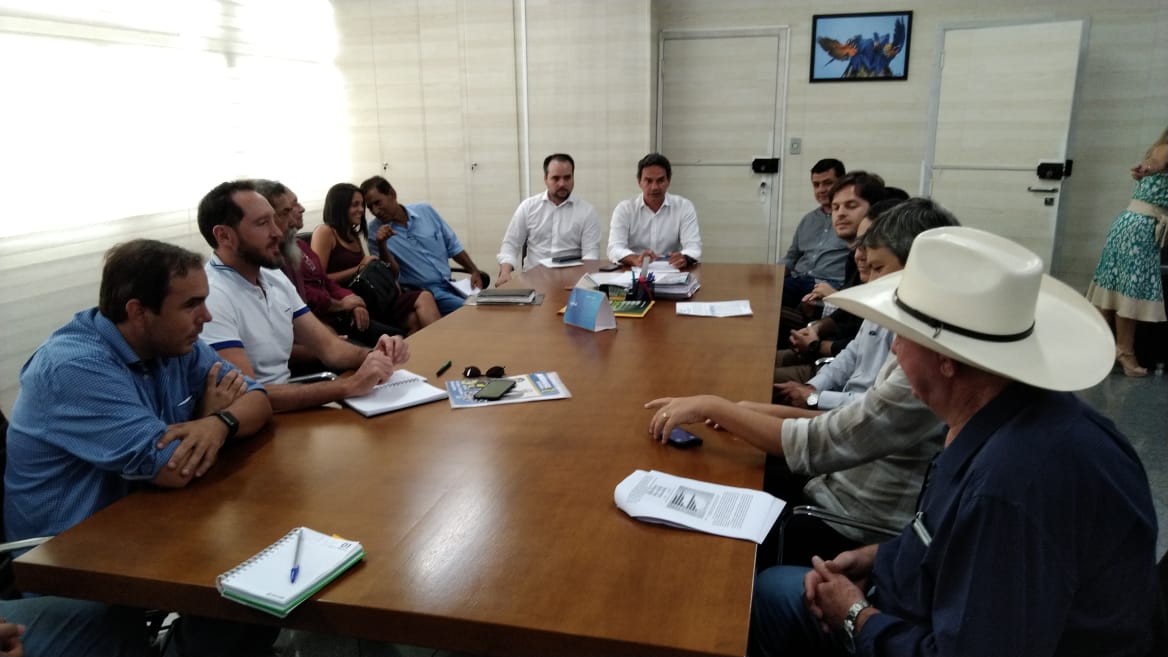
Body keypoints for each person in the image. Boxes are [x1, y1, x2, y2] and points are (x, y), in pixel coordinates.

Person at [750, 226, 1156, 657]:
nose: (894, 351)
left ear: (944, 361)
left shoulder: (1010, 485)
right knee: (774, 588)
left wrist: (853, 616)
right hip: (926, 605)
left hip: (925, 631)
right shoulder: (1013, 416)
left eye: (900, 337)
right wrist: (878, 559)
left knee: (768, 595)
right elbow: (946, 537)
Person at [647, 199, 957, 566]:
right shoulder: (913, 338)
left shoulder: (923, 361)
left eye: (877, 268)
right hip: (834, 483)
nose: (868, 279)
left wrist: (715, 406)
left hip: (848, 521)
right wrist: (748, 410)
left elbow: (824, 441)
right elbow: (854, 418)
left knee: (707, 545)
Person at [2, 239, 275, 656]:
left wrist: (216, 423)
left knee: (259, 588)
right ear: (137, 311)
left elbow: (258, 399)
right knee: (244, 596)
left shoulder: (171, 343)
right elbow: (174, 466)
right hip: (72, 561)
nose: (207, 316)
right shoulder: (73, 366)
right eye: (192, 304)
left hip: (147, 528)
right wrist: (196, 427)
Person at [196, 180, 410, 412]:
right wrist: (347, 386)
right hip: (257, 420)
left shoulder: (273, 277)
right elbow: (247, 395)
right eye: (262, 223)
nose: (277, 232)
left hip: (288, 409)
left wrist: (375, 355)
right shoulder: (211, 296)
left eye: (273, 219)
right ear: (224, 236)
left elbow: (330, 348)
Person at [273, 181, 438, 336]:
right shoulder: (325, 232)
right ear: (340, 207)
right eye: (355, 205)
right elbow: (321, 280)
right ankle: (442, 349)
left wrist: (380, 249)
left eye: (362, 205)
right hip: (352, 300)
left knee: (417, 316)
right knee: (423, 298)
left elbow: (376, 272)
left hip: (369, 296)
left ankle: (429, 358)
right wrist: (358, 268)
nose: (361, 210)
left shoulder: (353, 234)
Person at [776, 197, 902, 385]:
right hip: (831, 371)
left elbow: (871, 405)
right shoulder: (856, 262)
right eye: (835, 207)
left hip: (835, 378)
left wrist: (815, 347)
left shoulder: (897, 309)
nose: (840, 213)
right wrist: (815, 329)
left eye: (851, 206)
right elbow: (853, 350)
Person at [1085, 127, 1168, 377]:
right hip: (1140, 228)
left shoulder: (1160, 149)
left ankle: (1094, 346)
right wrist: (1146, 169)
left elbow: (1148, 169)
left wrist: (1142, 171)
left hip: (1133, 224)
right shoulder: (1165, 150)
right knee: (1127, 290)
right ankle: (1124, 351)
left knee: (1111, 287)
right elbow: (1153, 165)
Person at [359, 175, 487, 315]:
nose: (375, 211)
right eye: (370, 207)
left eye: (378, 203)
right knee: (476, 312)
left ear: (392, 194)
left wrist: (474, 270)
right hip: (425, 293)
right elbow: (389, 274)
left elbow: (453, 246)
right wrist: (382, 244)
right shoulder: (375, 232)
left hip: (452, 285)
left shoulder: (425, 211)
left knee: (493, 304)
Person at [495, 153, 601, 286]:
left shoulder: (587, 211)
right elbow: (511, 244)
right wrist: (505, 273)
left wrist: (584, 285)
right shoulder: (528, 207)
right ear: (545, 179)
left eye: (567, 178)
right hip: (534, 282)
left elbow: (591, 256)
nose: (562, 183)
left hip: (571, 284)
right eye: (555, 178)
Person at [607, 152, 702, 268]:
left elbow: (694, 247)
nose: (654, 187)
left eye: (660, 180)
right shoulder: (624, 209)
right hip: (635, 272)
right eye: (648, 181)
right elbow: (614, 248)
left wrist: (684, 258)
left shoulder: (684, 207)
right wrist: (635, 259)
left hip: (673, 271)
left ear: (669, 181)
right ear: (639, 182)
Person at [780, 158, 850, 308]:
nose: (821, 190)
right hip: (796, 280)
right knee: (762, 294)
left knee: (802, 306)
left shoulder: (851, 221)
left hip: (828, 285)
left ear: (841, 183)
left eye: (827, 183)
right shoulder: (808, 219)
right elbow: (792, 256)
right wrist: (772, 274)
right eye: (816, 185)